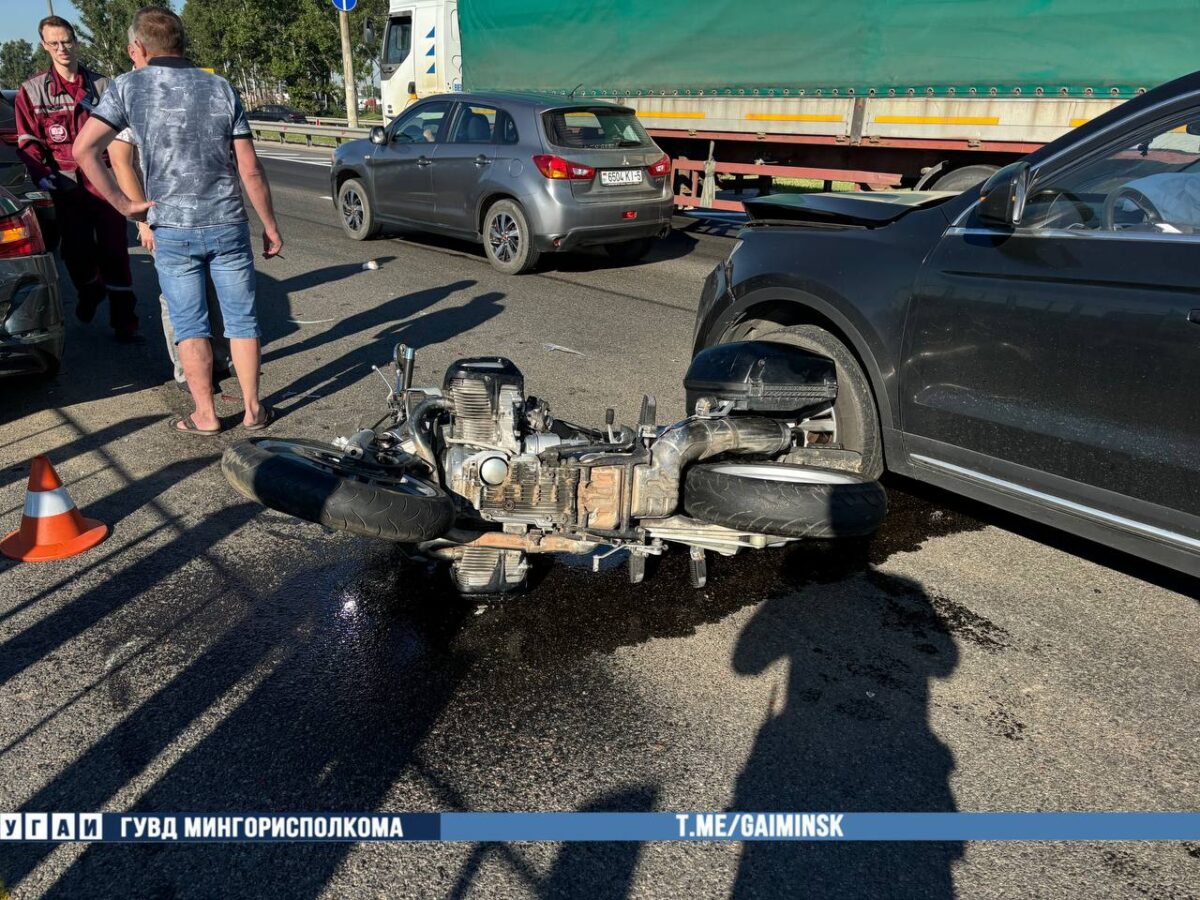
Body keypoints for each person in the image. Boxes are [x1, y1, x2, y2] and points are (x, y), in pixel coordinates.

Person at [73, 6, 283, 435]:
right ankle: (253, 410)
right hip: (227, 221)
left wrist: (123, 204)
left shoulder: (127, 88)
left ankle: (206, 415)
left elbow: (84, 151)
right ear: (182, 45)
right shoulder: (220, 87)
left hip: (171, 227)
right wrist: (270, 224)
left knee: (191, 324)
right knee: (242, 320)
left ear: (138, 47)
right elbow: (250, 168)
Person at [15, 15, 139, 341]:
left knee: (116, 252)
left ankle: (125, 323)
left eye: (66, 41)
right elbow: (28, 142)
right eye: (54, 43)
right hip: (66, 188)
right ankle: (90, 291)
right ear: (44, 46)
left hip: (105, 185)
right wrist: (43, 177)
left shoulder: (104, 86)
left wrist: (125, 178)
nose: (62, 48)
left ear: (75, 41)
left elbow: (122, 137)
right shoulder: (31, 91)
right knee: (75, 254)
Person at [107, 81, 234, 393]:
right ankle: (186, 371)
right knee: (178, 297)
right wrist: (142, 221)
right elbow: (119, 159)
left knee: (211, 289)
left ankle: (216, 360)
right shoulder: (132, 96)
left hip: (202, 213)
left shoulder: (190, 91)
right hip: (161, 217)